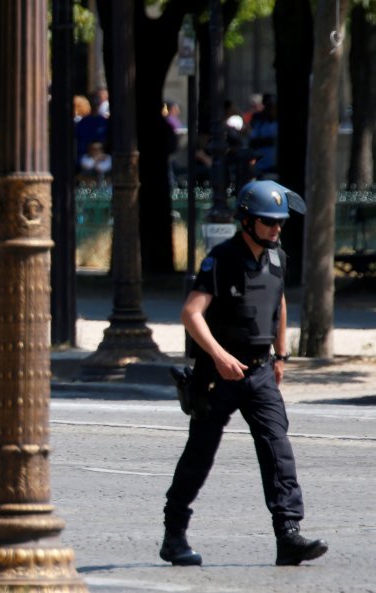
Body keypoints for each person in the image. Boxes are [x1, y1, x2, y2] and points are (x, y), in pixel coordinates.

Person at [161, 180, 328, 568]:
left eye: (280, 223)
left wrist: (281, 354)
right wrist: (218, 356)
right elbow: (191, 313)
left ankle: (288, 536)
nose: (276, 229)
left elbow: (280, 302)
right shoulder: (221, 259)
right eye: (269, 223)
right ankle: (174, 536)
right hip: (218, 375)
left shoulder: (277, 258)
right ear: (248, 221)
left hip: (260, 372)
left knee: (278, 450)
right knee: (199, 457)